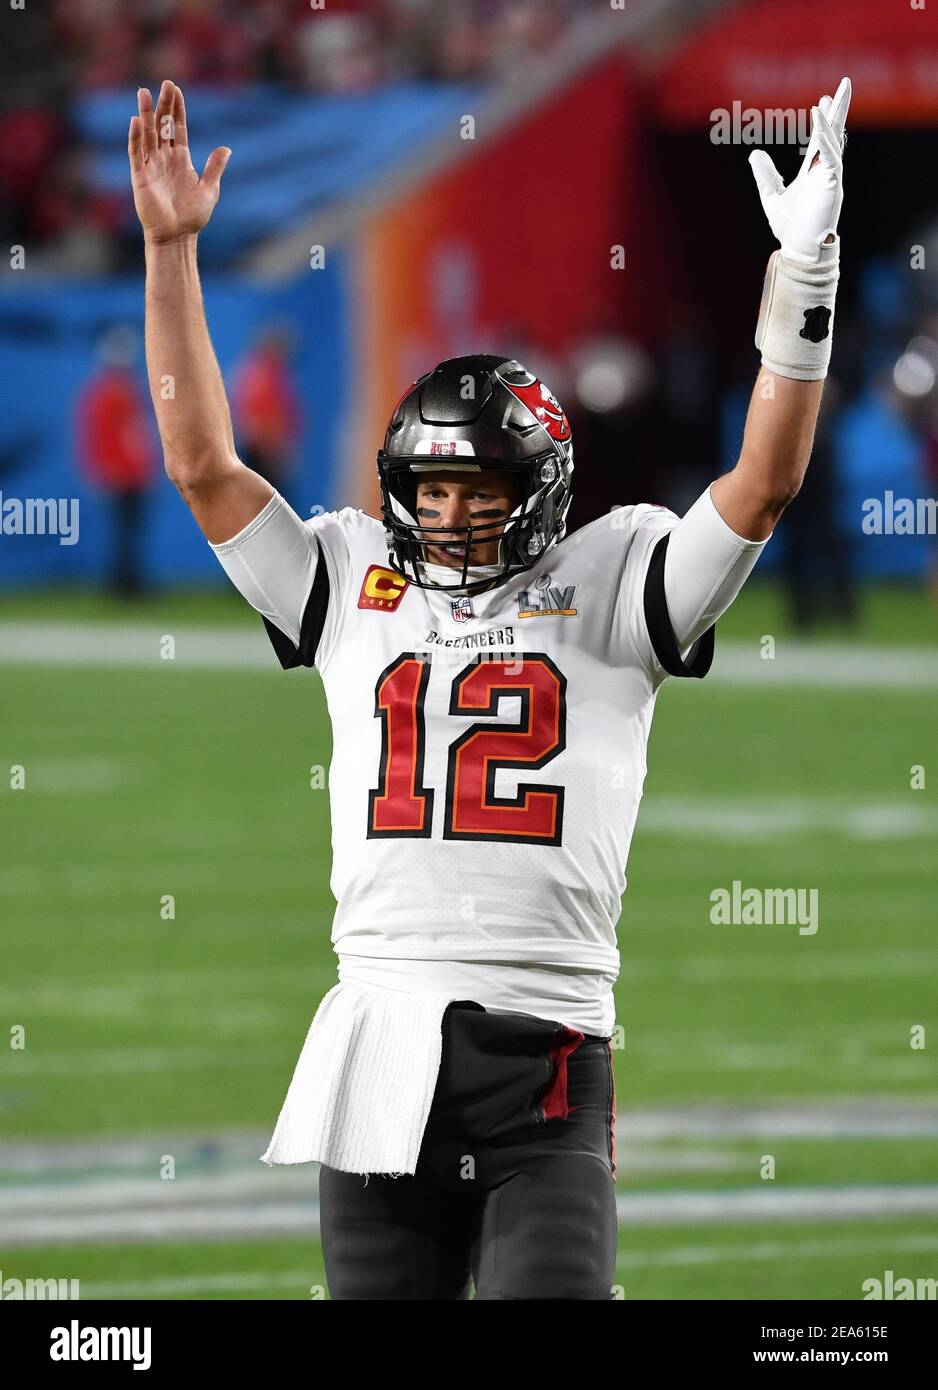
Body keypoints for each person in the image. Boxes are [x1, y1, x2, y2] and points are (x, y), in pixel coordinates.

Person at [129, 77, 851, 1300]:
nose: (450, 518)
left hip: (546, 1057)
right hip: (376, 1049)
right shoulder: (354, 572)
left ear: (543, 492)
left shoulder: (617, 572)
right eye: (431, 493)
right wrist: (168, 251)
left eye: (478, 492)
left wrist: (801, 286)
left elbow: (764, 485)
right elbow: (202, 464)